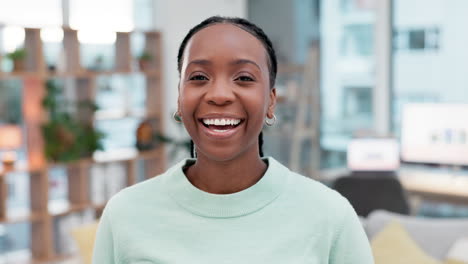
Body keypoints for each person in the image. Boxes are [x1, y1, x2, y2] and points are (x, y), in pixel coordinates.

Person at [92, 16, 374, 264]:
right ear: (179, 99)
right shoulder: (125, 214)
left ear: (271, 102)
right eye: (199, 76)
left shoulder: (330, 216)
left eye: (243, 78)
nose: (220, 95)